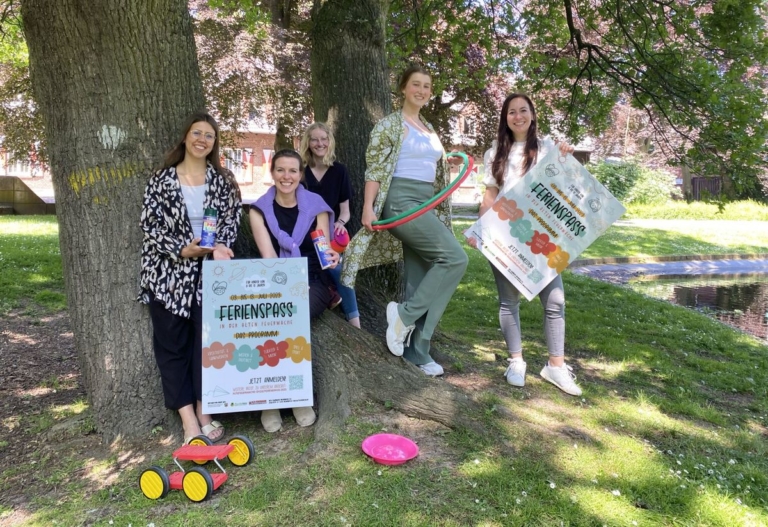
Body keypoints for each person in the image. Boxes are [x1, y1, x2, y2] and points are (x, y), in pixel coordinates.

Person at [341, 65, 468, 377]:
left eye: (427, 86)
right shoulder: (389, 126)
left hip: (427, 203)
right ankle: (403, 316)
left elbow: (429, 166)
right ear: (403, 88)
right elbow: (374, 169)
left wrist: (444, 162)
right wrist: (368, 208)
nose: (422, 90)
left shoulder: (428, 128)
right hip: (400, 201)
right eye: (416, 84)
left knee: (422, 276)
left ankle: (417, 352)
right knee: (455, 258)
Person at [139, 111, 242, 444]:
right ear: (185, 137)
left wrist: (220, 246)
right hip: (167, 274)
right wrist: (182, 250)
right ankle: (188, 422)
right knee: (172, 347)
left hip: (210, 276)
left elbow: (231, 219)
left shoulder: (223, 180)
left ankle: (205, 410)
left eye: (209, 135)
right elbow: (149, 227)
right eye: (196, 133)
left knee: (209, 346)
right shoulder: (161, 180)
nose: (202, 139)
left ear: (214, 143)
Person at [473, 93, 581, 396]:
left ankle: (555, 366)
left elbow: (566, 185)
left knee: (555, 300)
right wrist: (483, 229)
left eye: (523, 110)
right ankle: (516, 361)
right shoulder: (495, 152)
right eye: (511, 112)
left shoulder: (548, 148)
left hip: (543, 236)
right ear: (505, 118)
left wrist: (566, 157)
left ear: (533, 114)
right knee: (509, 301)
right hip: (506, 234)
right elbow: (490, 195)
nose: (518, 116)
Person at [249, 148, 341, 432]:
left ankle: (297, 397)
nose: (286, 176)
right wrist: (282, 292)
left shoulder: (316, 205)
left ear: (301, 175)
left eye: (292, 171)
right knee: (269, 317)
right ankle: (270, 399)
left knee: (290, 317)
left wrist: (335, 256)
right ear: (272, 173)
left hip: (314, 280)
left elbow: (324, 252)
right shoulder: (258, 210)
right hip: (278, 278)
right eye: (280, 170)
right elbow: (270, 260)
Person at [299, 122, 361, 328]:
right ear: (308, 142)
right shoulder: (300, 172)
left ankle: (355, 323)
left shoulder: (339, 171)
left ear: (329, 142)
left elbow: (345, 210)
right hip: (303, 233)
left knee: (339, 270)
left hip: (331, 232)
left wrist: (341, 223)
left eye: (324, 139)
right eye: (315, 139)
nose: (320, 143)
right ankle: (330, 293)